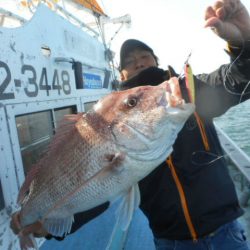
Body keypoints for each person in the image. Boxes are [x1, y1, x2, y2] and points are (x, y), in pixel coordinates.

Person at [10, 0, 250, 249]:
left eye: (145, 55)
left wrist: (244, 40)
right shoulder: (105, 119)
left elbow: (240, 80)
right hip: (170, 241)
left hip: (225, 233)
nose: (139, 62)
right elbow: (97, 190)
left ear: (156, 59)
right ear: (122, 75)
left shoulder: (188, 91)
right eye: (129, 62)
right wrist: (48, 227)